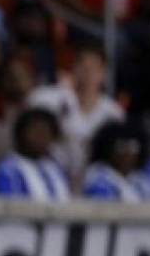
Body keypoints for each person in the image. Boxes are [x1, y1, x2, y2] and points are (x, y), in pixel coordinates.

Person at [26, 43, 124, 179]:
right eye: (83, 66)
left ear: (103, 74)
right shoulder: (50, 98)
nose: (87, 73)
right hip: (52, 174)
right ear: (73, 68)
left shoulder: (112, 112)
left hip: (93, 179)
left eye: (94, 68)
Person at [0, 107, 70, 200]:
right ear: (21, 134)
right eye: (36, 132)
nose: (41, 138)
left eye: (46, 133)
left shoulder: (54, 169)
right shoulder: (7, 170)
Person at [82, 122, 150, 201]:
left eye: (133, 147)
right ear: (109, 149)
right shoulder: (97, 176)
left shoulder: (140, 177)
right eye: (121, 147)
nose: (127, 153)